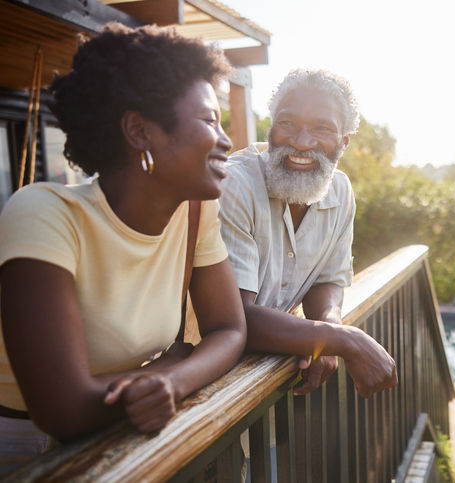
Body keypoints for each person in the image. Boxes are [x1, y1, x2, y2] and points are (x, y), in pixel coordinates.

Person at [0, 23, 246, 474]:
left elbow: (230, 329)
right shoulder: (42, 213)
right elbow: (62, 408)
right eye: (210, 120)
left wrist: (169, 380)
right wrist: (158, 375)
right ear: (139, 131)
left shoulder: (194, 213)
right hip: (20, 449)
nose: (226, 140)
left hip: (124, 429)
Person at [218, 69, 397, 397]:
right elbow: (233, 316)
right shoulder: (234, 186)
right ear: (271, 128)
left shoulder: (340, 190)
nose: (302, 142)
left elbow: (327, 278)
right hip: (203, 382)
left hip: (265, 379)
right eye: (288, 123)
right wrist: (341, 340)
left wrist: (327, 325)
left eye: (322, 128)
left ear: (343, 142)